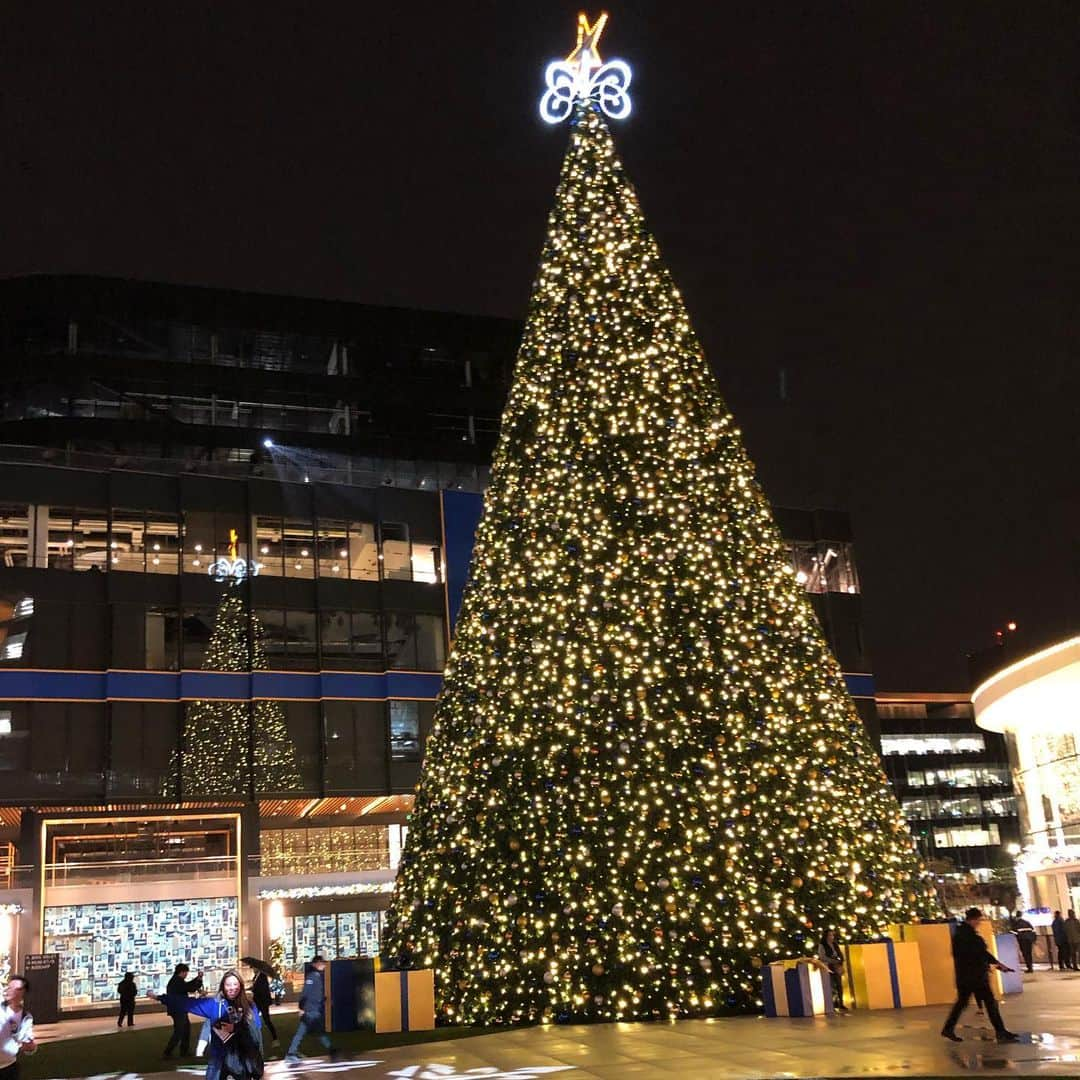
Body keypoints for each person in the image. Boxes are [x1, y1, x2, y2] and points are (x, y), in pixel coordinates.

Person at [160, 971, 263, 1080]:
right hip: (218, 1059)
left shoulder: (249, 1006)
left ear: (240, 986)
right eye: (228, 985)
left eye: (235, 984)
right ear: (223, 986)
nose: (232, 988)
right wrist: (161, 998)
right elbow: (187, 1003)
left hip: (242, 1059)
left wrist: (236, 1028)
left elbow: (256, 1033)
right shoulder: (214, 1004)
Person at [941, 907, 1018, 1043]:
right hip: (975, 976)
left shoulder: (962, 934)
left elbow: (977, 953)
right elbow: (980, 953)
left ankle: (948, 1029)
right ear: (973, 919)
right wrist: (996, 964)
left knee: (964, 1003)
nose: (979, 923)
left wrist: (997, 964)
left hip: (967, 976)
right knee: (989, 1003)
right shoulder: (968, 936)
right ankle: (1000, 1031)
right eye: (978, 920)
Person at [285, 956, 337, 1063]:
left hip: (313, 1009)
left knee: (310, 1031)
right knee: (313, 1031)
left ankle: (291, 1052)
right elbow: (306, 992)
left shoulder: (316, 976)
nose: (324, 965)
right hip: (310, 1010)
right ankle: (331, 1050)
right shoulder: (313, 977)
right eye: (322, 963)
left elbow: (314, 993)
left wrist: (323, 999)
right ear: (316, 964)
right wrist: (302, 1007)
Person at [163, 963, 203, 1059]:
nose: (186, 975)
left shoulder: (176, 980)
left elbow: (188, 986)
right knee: (180, 1031)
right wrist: (198, 979)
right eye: (186, 973)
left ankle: (183, 1051)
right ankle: (168, 1052)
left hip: (178, 1009)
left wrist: (198, 979)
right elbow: (189, 987)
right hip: (178, 1009)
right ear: (182, 972)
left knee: (185, 1030)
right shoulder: (177, 981)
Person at [0, 975, 36, 1080]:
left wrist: (30, 1046)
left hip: (8, 1068)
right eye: (9, 987)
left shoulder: (26, 1018)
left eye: (16, 989)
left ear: (22, 993)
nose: (10, 991)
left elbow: (28, 1045)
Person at [817, 930, 847, 1012]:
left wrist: (840, 961)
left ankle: (841, 1002)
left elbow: (840, 954)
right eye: (830, 935)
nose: (831, 937)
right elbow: (823, 957)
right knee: (830, 986)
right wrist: (832, 961)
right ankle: (831, 1004)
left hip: (837, 967)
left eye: (832, 935)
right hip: (828, 967)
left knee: (839, 985)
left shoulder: (835, 944)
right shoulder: (822, 945)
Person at [250, 970, 278, 1050]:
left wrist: (254, 989)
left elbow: (261, 989)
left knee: (267, 1020)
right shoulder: (256, 976)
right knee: (253, 1019)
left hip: (263, 1002)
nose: (253, 970)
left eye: (253, 968)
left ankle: (275, 1038)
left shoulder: (262, 976)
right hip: (258, 1002)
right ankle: (254, 1037)